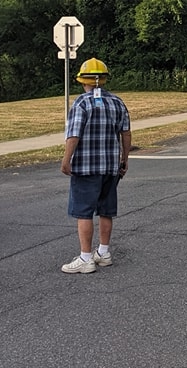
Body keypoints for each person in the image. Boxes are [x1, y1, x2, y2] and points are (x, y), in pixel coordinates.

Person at [60, 58, 132, 274]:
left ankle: (85, 258)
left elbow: (74, 134)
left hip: (85, 167)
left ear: (84, 81)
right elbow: (126, 133)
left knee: (84, 212)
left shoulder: (82, 103)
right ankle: (103, 252)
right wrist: (124, 158)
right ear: (104, 79)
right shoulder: (118, 102)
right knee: (106, 210)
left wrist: (66, 159)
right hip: (111, 167)